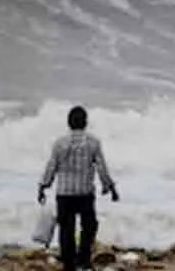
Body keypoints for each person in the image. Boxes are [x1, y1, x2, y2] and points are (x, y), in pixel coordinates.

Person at [38, 106, 119, 271]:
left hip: (64, 194)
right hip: (85, 193)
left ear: (69, 123)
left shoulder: (59, 143)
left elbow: (51, 167)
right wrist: (110, 187)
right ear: (85, 122)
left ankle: (69, 263)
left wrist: (43, 186)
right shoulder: (93, 142)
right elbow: (102, 168)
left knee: (66, 229)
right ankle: (83, 258)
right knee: (89, 226)